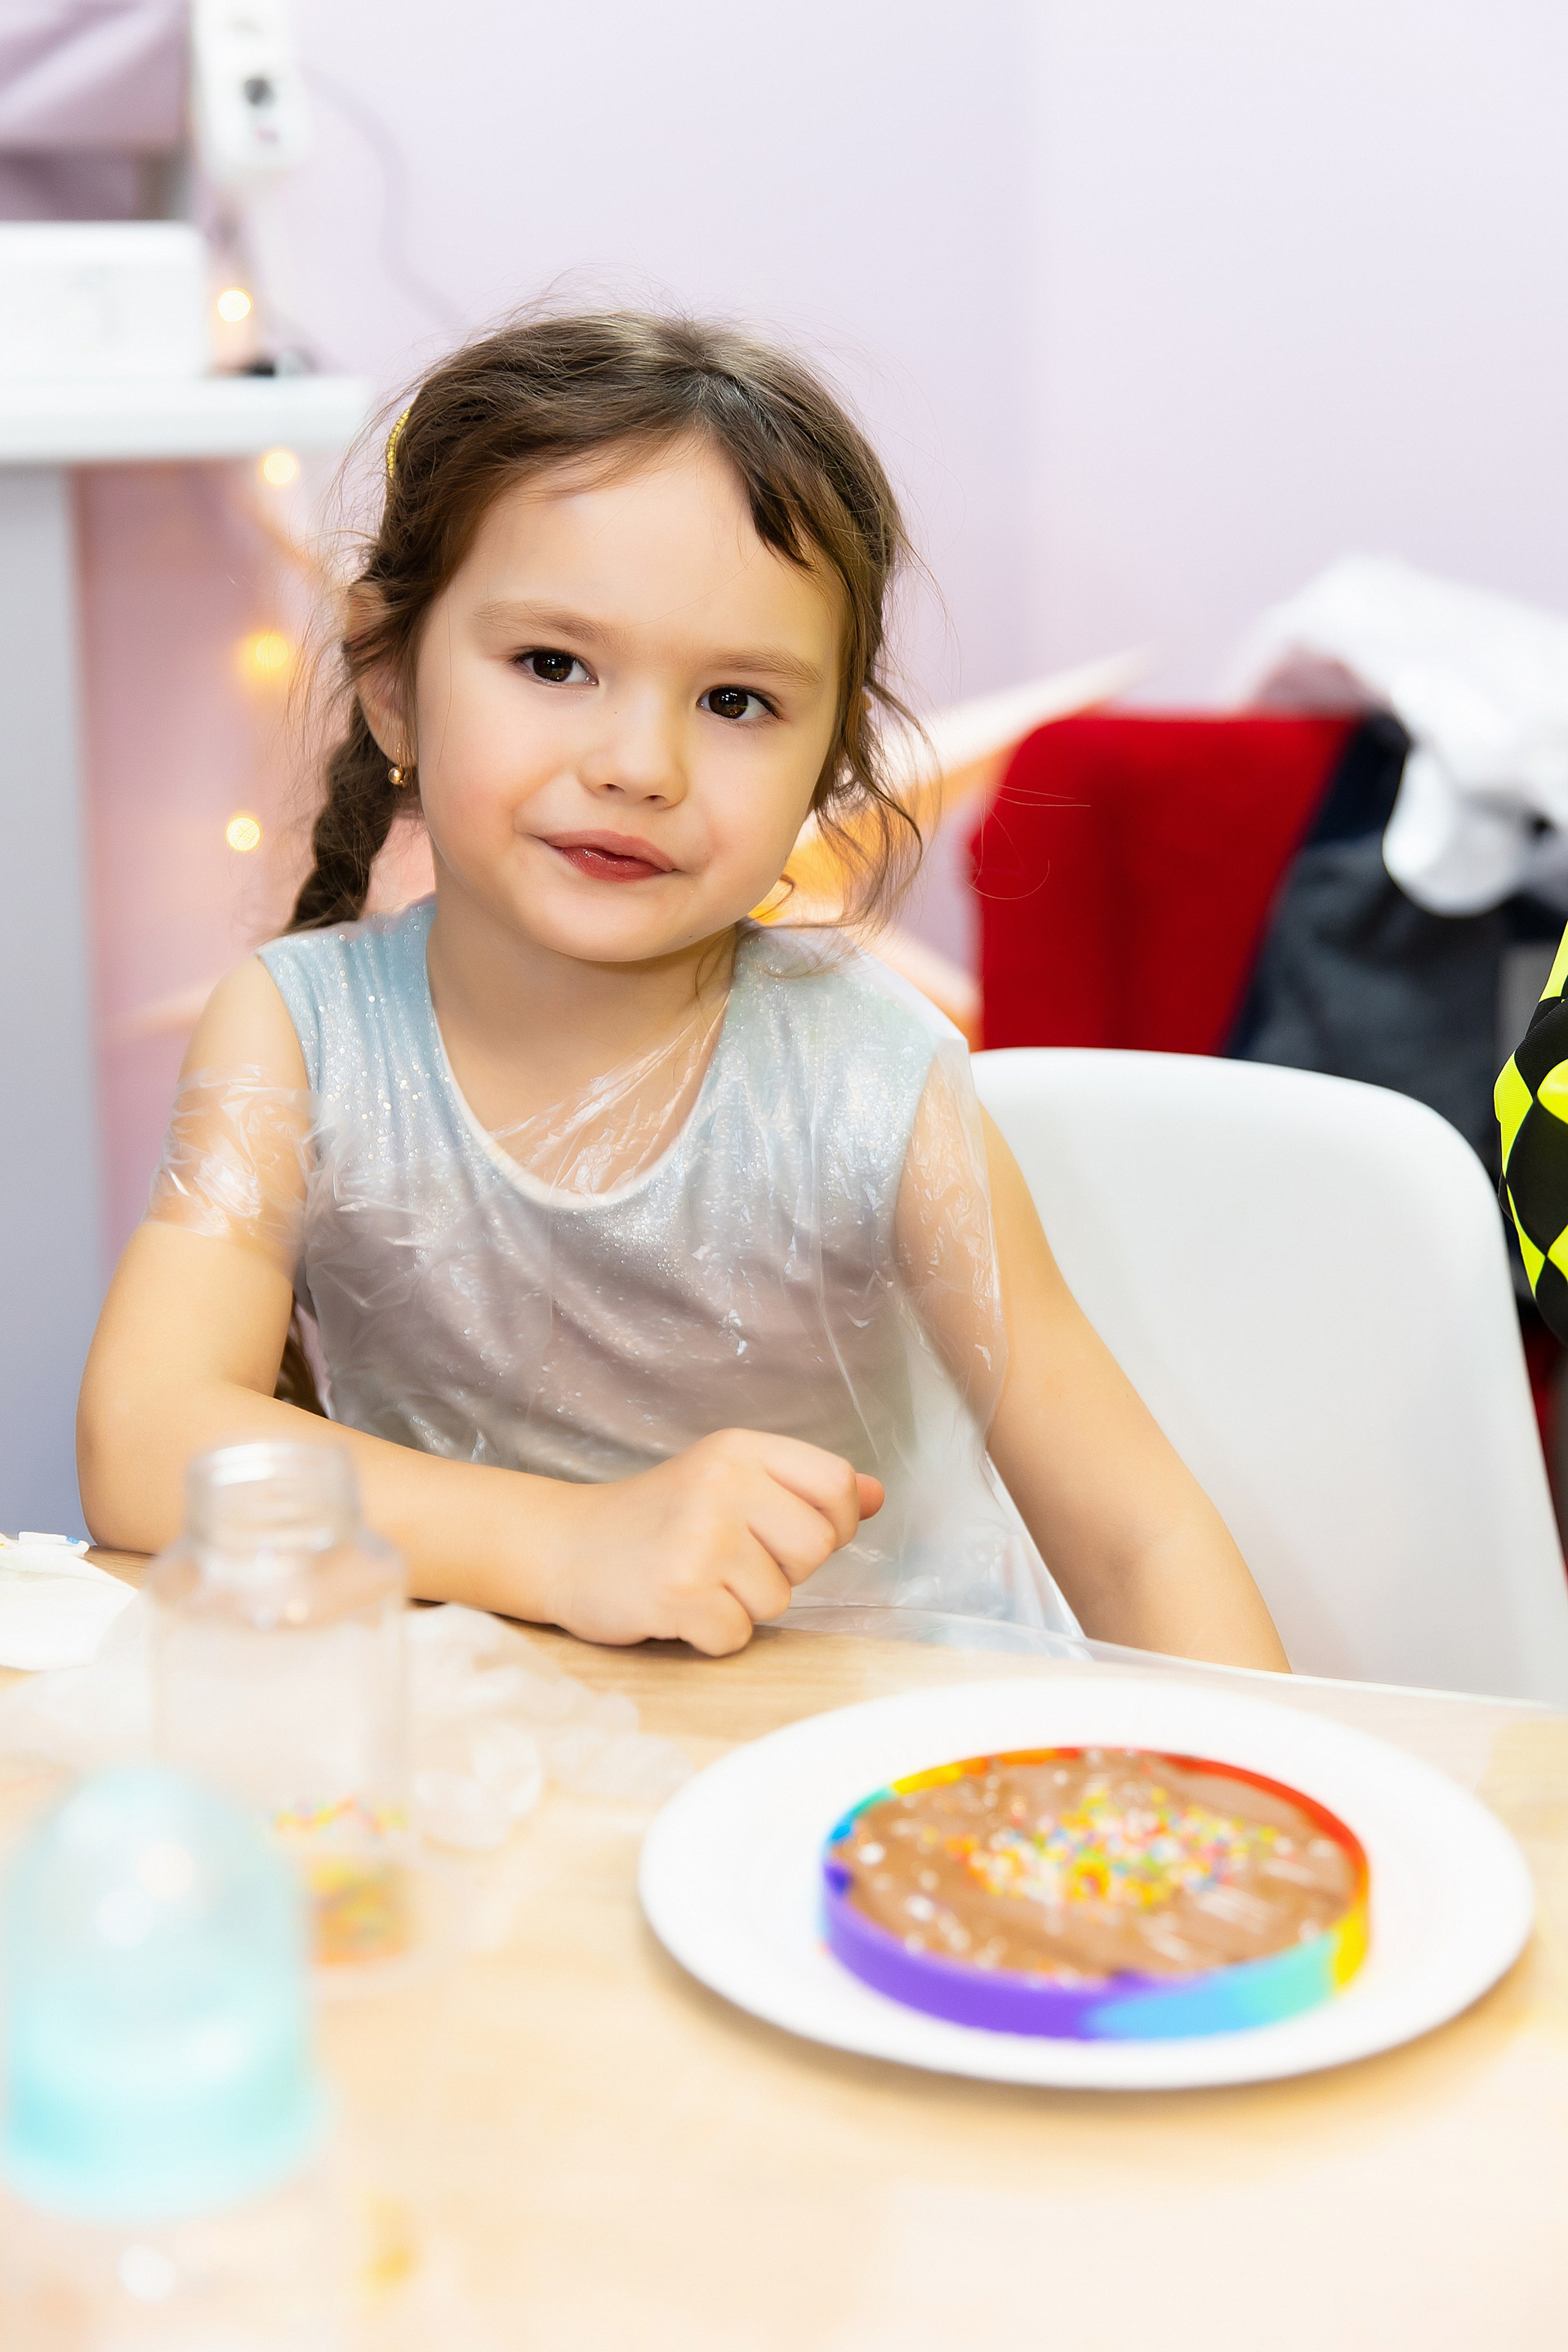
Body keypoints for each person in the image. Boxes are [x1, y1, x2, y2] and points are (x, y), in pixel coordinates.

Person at [78, 311, 1286, 1670]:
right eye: (553, 665)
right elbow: (142, 1440)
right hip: (491, 1738)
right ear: (391, 683)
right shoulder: (300, 1036)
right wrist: (574, 1545)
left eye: (735, 702)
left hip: (864, 1736)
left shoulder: (877, 1085)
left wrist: (1283, 1780)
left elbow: (1136, 1541)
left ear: (829, 759)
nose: (639, 764)